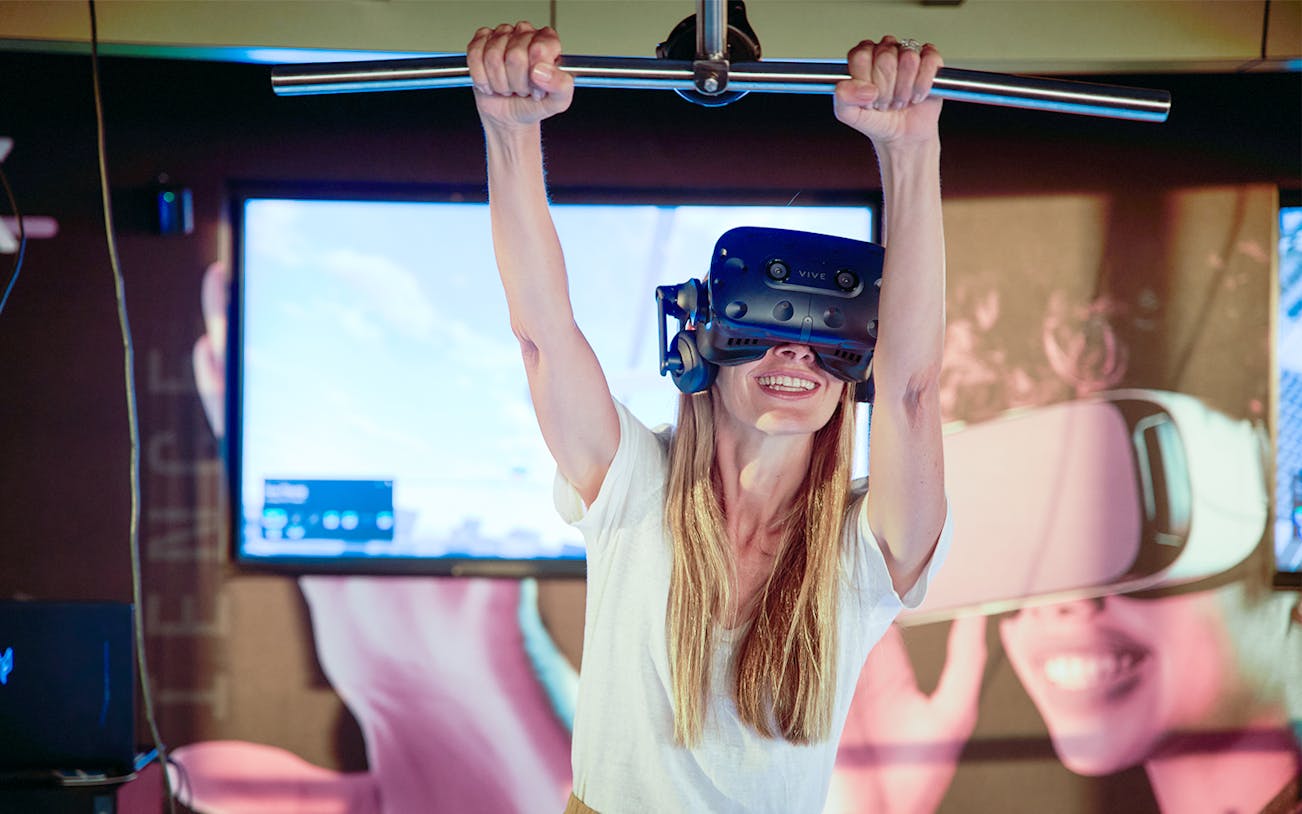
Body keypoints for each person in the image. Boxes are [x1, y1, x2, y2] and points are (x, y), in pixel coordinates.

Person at [468, 21, 952, 813]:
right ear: (699, 350)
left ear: (851, 376)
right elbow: (542, 336)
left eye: (827, 344)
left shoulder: (863, 550)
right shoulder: (634, 487)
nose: (795, 356)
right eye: (763, 329)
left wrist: (909, 150)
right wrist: (509, 132)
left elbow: (913, 391)